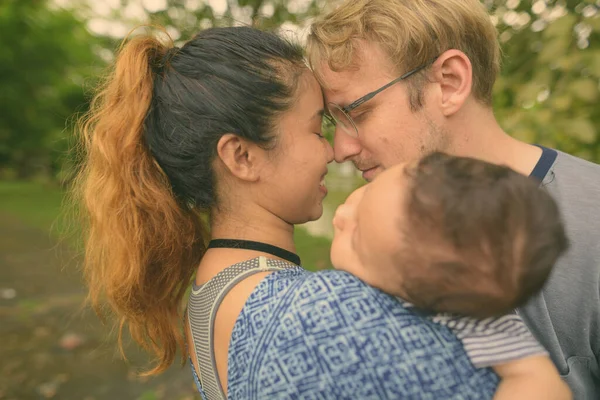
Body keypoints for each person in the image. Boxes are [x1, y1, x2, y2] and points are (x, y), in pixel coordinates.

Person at [74, 26, 499, 399]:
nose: (333, 151)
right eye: (316, 129)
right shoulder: (321, 314)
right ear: (241, 157)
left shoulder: (207, 291)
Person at [307, 0, 600, 397]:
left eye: (356, 112)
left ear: (449, 82)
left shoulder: (593, 224)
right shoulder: (375, 229)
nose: (339, 148)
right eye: (332, 121)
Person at [330, 152, 571, 400]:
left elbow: (542, 383)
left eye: (356, 237)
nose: (340, 215)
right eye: (366, 195)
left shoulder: (479, 325)